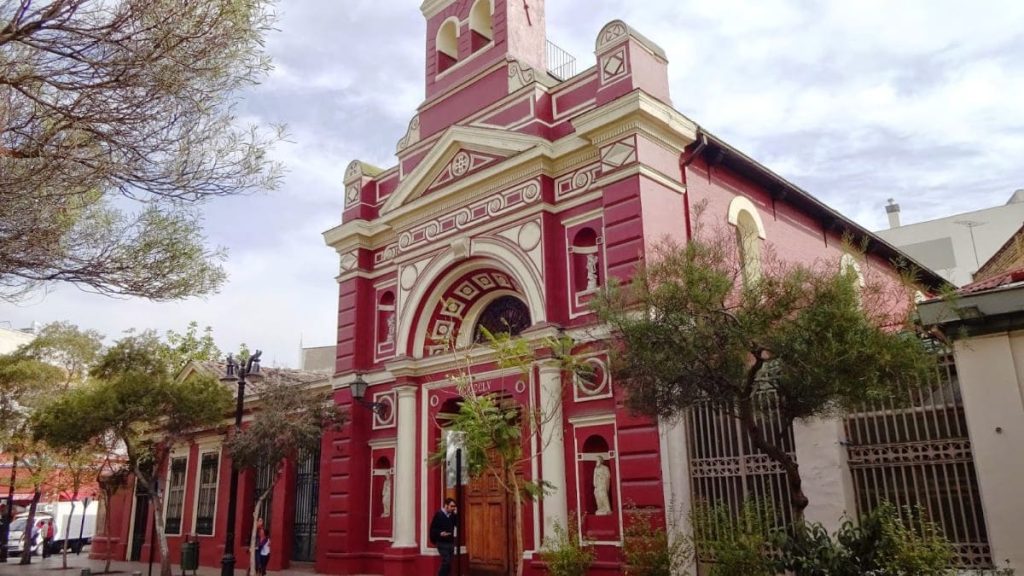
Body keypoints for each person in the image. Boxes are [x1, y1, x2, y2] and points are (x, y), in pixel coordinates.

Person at [429, 498, 457, 576]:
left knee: (449, 563)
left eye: (454, 506)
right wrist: (440, 533)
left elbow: (457, 525)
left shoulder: (452, 515)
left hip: (450, 542)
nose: (453, 508)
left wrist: (455, 514)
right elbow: (433, 529)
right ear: (446, 505)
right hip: (441, 542)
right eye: (451, 506)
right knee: (446, 560)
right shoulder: (439, 515)